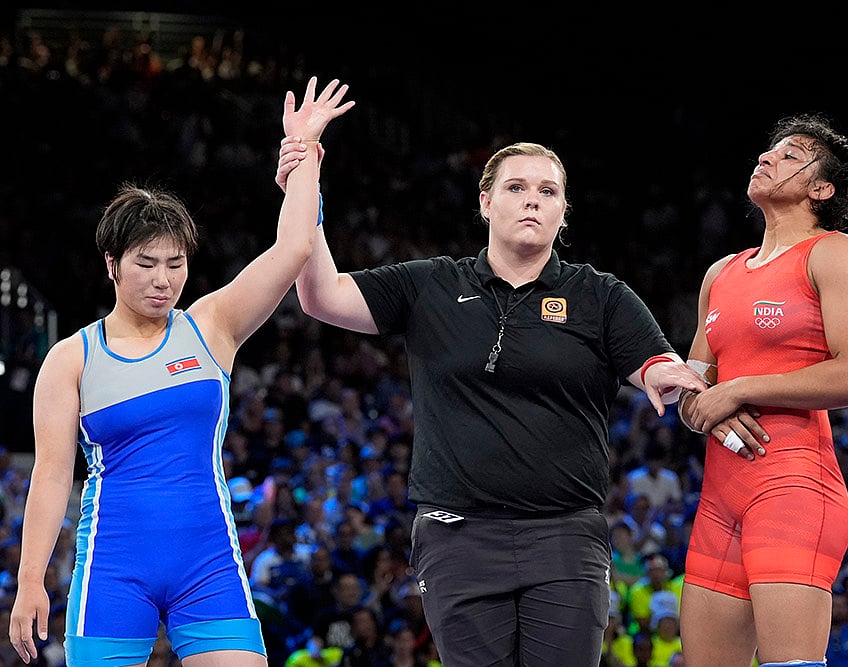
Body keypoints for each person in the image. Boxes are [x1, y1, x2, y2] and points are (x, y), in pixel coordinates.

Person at [275, 138, 708, 666]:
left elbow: (655, 361)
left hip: (565, 539)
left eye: (547, 191)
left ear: (563, 211)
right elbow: (320, 296)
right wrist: (304, 187)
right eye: (516, 187)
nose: (532, 201)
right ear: (485, 202)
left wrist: (666, 373)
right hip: (457, 538)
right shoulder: (431, 284)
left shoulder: (600, 296)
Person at [7, 75, 355, 666]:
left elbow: (294, 249)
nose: (163, 280)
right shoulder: (72, 357)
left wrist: (303, 155)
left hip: (208, 561)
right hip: (114, 567)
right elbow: (51, 476)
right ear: (112, 264)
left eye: (175, 264)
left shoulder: (211, 325)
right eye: (146, 264)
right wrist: (30, 580)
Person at [676, 113, 848, 667]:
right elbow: (694, 387)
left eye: (792, 155)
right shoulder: (721, 273)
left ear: (821, 189)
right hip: (719, 500)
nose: (768, 158)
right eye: (770, 150)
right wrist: (706, 407)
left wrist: (738, 389)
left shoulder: (834, 253)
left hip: (794, 487)